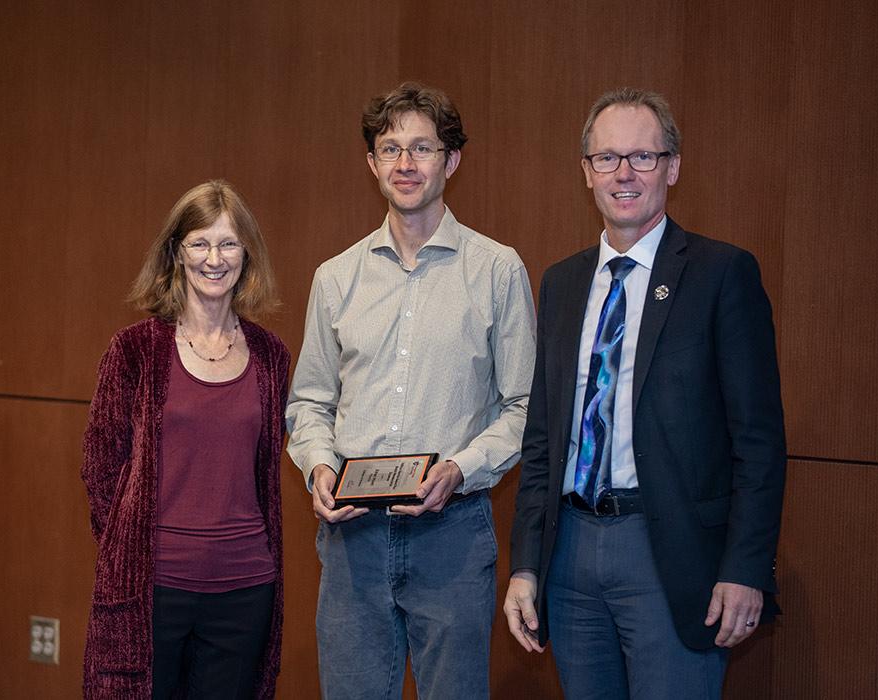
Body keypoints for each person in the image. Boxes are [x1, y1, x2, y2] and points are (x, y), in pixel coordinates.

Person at [503, 88, 786, 698]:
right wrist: (526, 564)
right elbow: (544, 440)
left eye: (642, 157)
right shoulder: (561, 281)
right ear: (586, 172)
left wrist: (745, 569)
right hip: (570, 555)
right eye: (606, 158)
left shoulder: (721, 274)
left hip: (670, 555)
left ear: (673, 167)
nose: (623, 173)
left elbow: (758, 443)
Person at [285, 82, 536, 699]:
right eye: (390, 148)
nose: (405, 164)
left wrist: (459, 467)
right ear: (371, 163)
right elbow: (309, 402)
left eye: (422, 148)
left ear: (451, 160)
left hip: (452, 535)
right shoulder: (335, 277)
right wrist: (319, 466)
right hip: (351, 541)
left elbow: (524, 408)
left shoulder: (498, 270)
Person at [80, 180, 290, 699]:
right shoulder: (135, 350)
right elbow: (100, 465)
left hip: (245, 591)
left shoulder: (271, 356)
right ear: (176, 252)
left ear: (247, 253)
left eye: (228, 243)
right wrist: (129, 549)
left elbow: (273, 465)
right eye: (199, 243)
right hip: (151, 590)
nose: (214, 258)